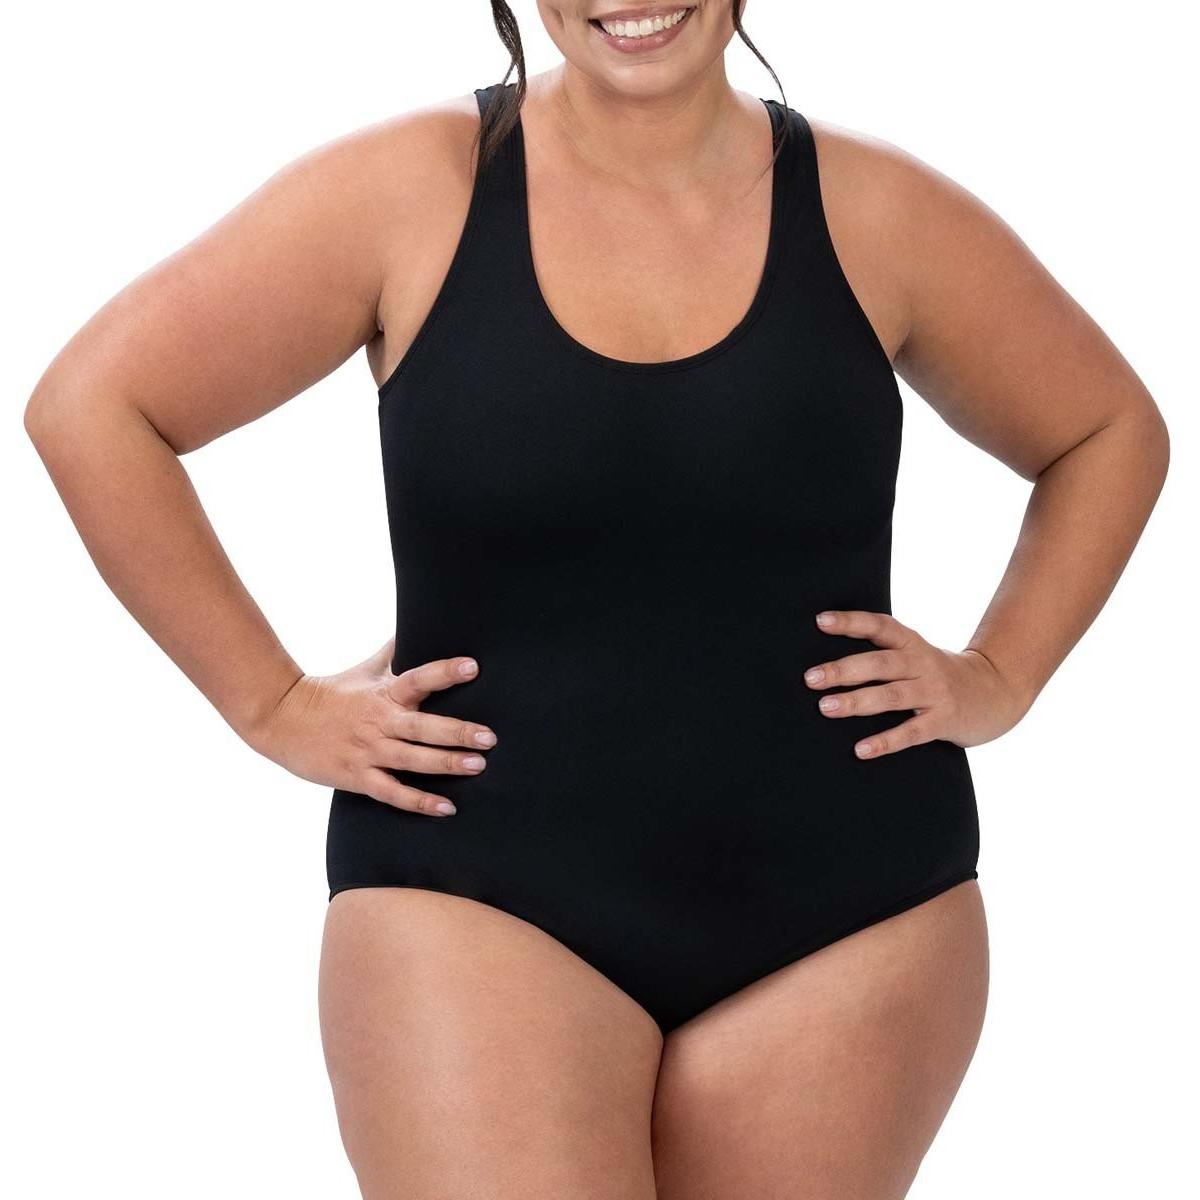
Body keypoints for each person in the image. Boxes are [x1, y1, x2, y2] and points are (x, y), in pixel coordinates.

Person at [24, 2, 1169, 1197]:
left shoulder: (880, 212)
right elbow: (94, 407)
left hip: (851, 916)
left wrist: (1001, 673)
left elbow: (1106, 431)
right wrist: (271, 704)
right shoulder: (408, 193)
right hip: (474, 896)